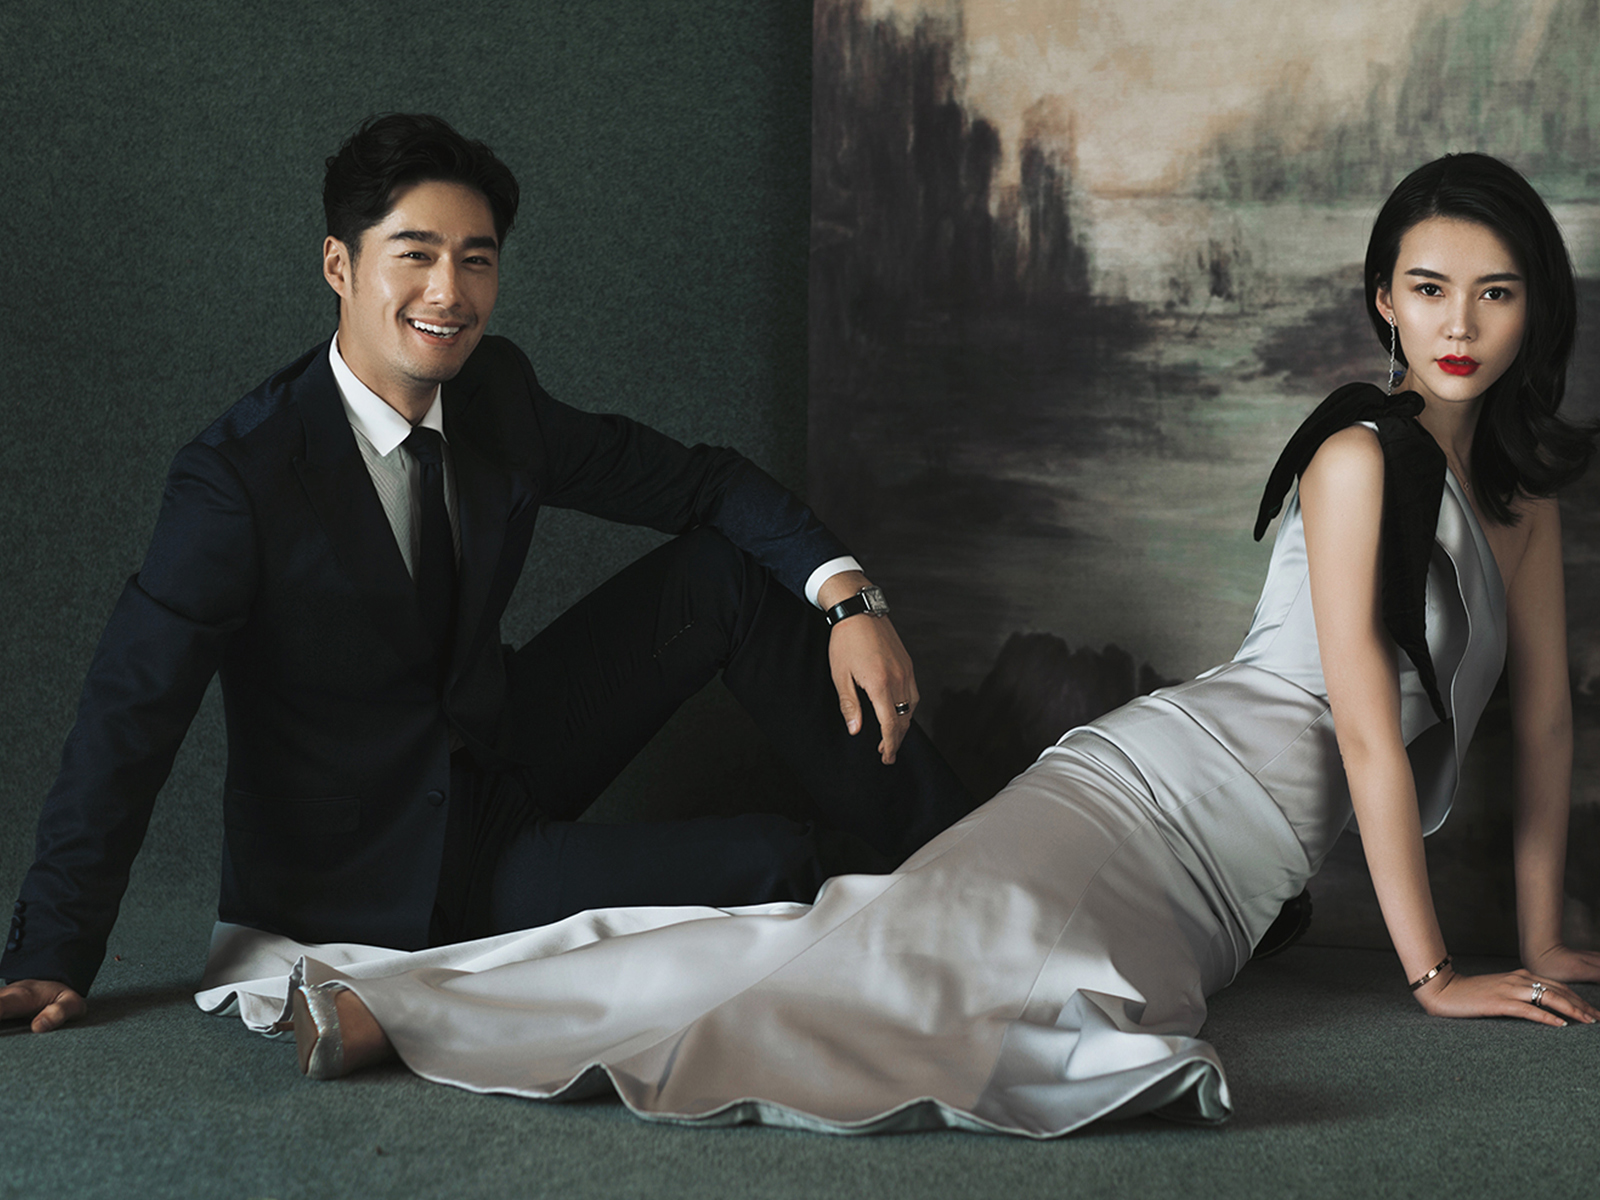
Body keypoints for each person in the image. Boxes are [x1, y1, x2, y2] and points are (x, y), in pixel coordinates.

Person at [245, 152, 1599, 1137]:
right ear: (1382, 303)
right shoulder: (1358, 456)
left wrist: (1540, 939)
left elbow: (1541, 723)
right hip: (1152, 797)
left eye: (1494, 294)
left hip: (1229, 885)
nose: (1459, 326)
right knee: (880, 954)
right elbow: (1363, 724)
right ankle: (401, 1009)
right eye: (1429, 290)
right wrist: (1433, 977)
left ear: (1536, 307)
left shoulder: (1520, 505)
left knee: (974, 997)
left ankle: (424, 1004)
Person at [0, 113, 979, 1035]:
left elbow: (702, 483)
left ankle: (975, 866)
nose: (448, 293)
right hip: (388, 868)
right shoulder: (237, 480)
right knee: (777, 859)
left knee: (723, 574)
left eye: (476, 260)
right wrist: (54, 949)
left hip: (499, 752)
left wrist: (848, 597)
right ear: (340, 265)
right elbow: (128, 715)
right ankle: (929, 915)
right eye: (415, 254)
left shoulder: (493, 394)